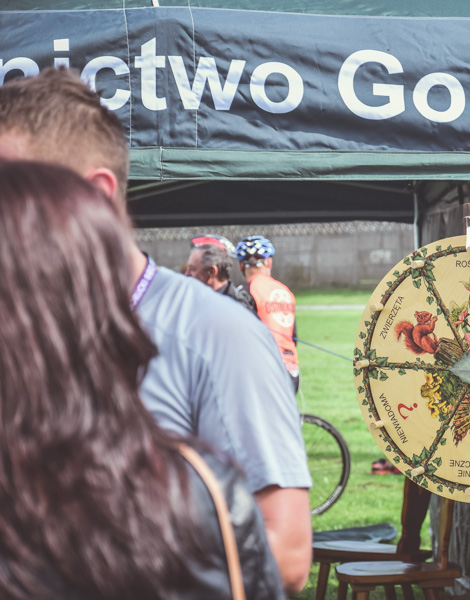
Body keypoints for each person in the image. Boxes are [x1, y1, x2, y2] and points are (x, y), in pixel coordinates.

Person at [0, 68, 312, 594]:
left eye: (14, 189)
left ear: (94, 197)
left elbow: (285, 553)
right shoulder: (21, 326)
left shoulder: (216, 334)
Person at [236, 235, 302, 392]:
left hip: (264, 368)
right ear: (269, 262)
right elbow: (293, 335)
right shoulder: (284, 291)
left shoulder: (244, 292)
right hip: (291, 368)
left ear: (240, 265)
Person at [185, 234, 256, 312]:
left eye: (192, 269)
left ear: (212, 272)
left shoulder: (237, 307)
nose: (187, 274)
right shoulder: (197, 300)